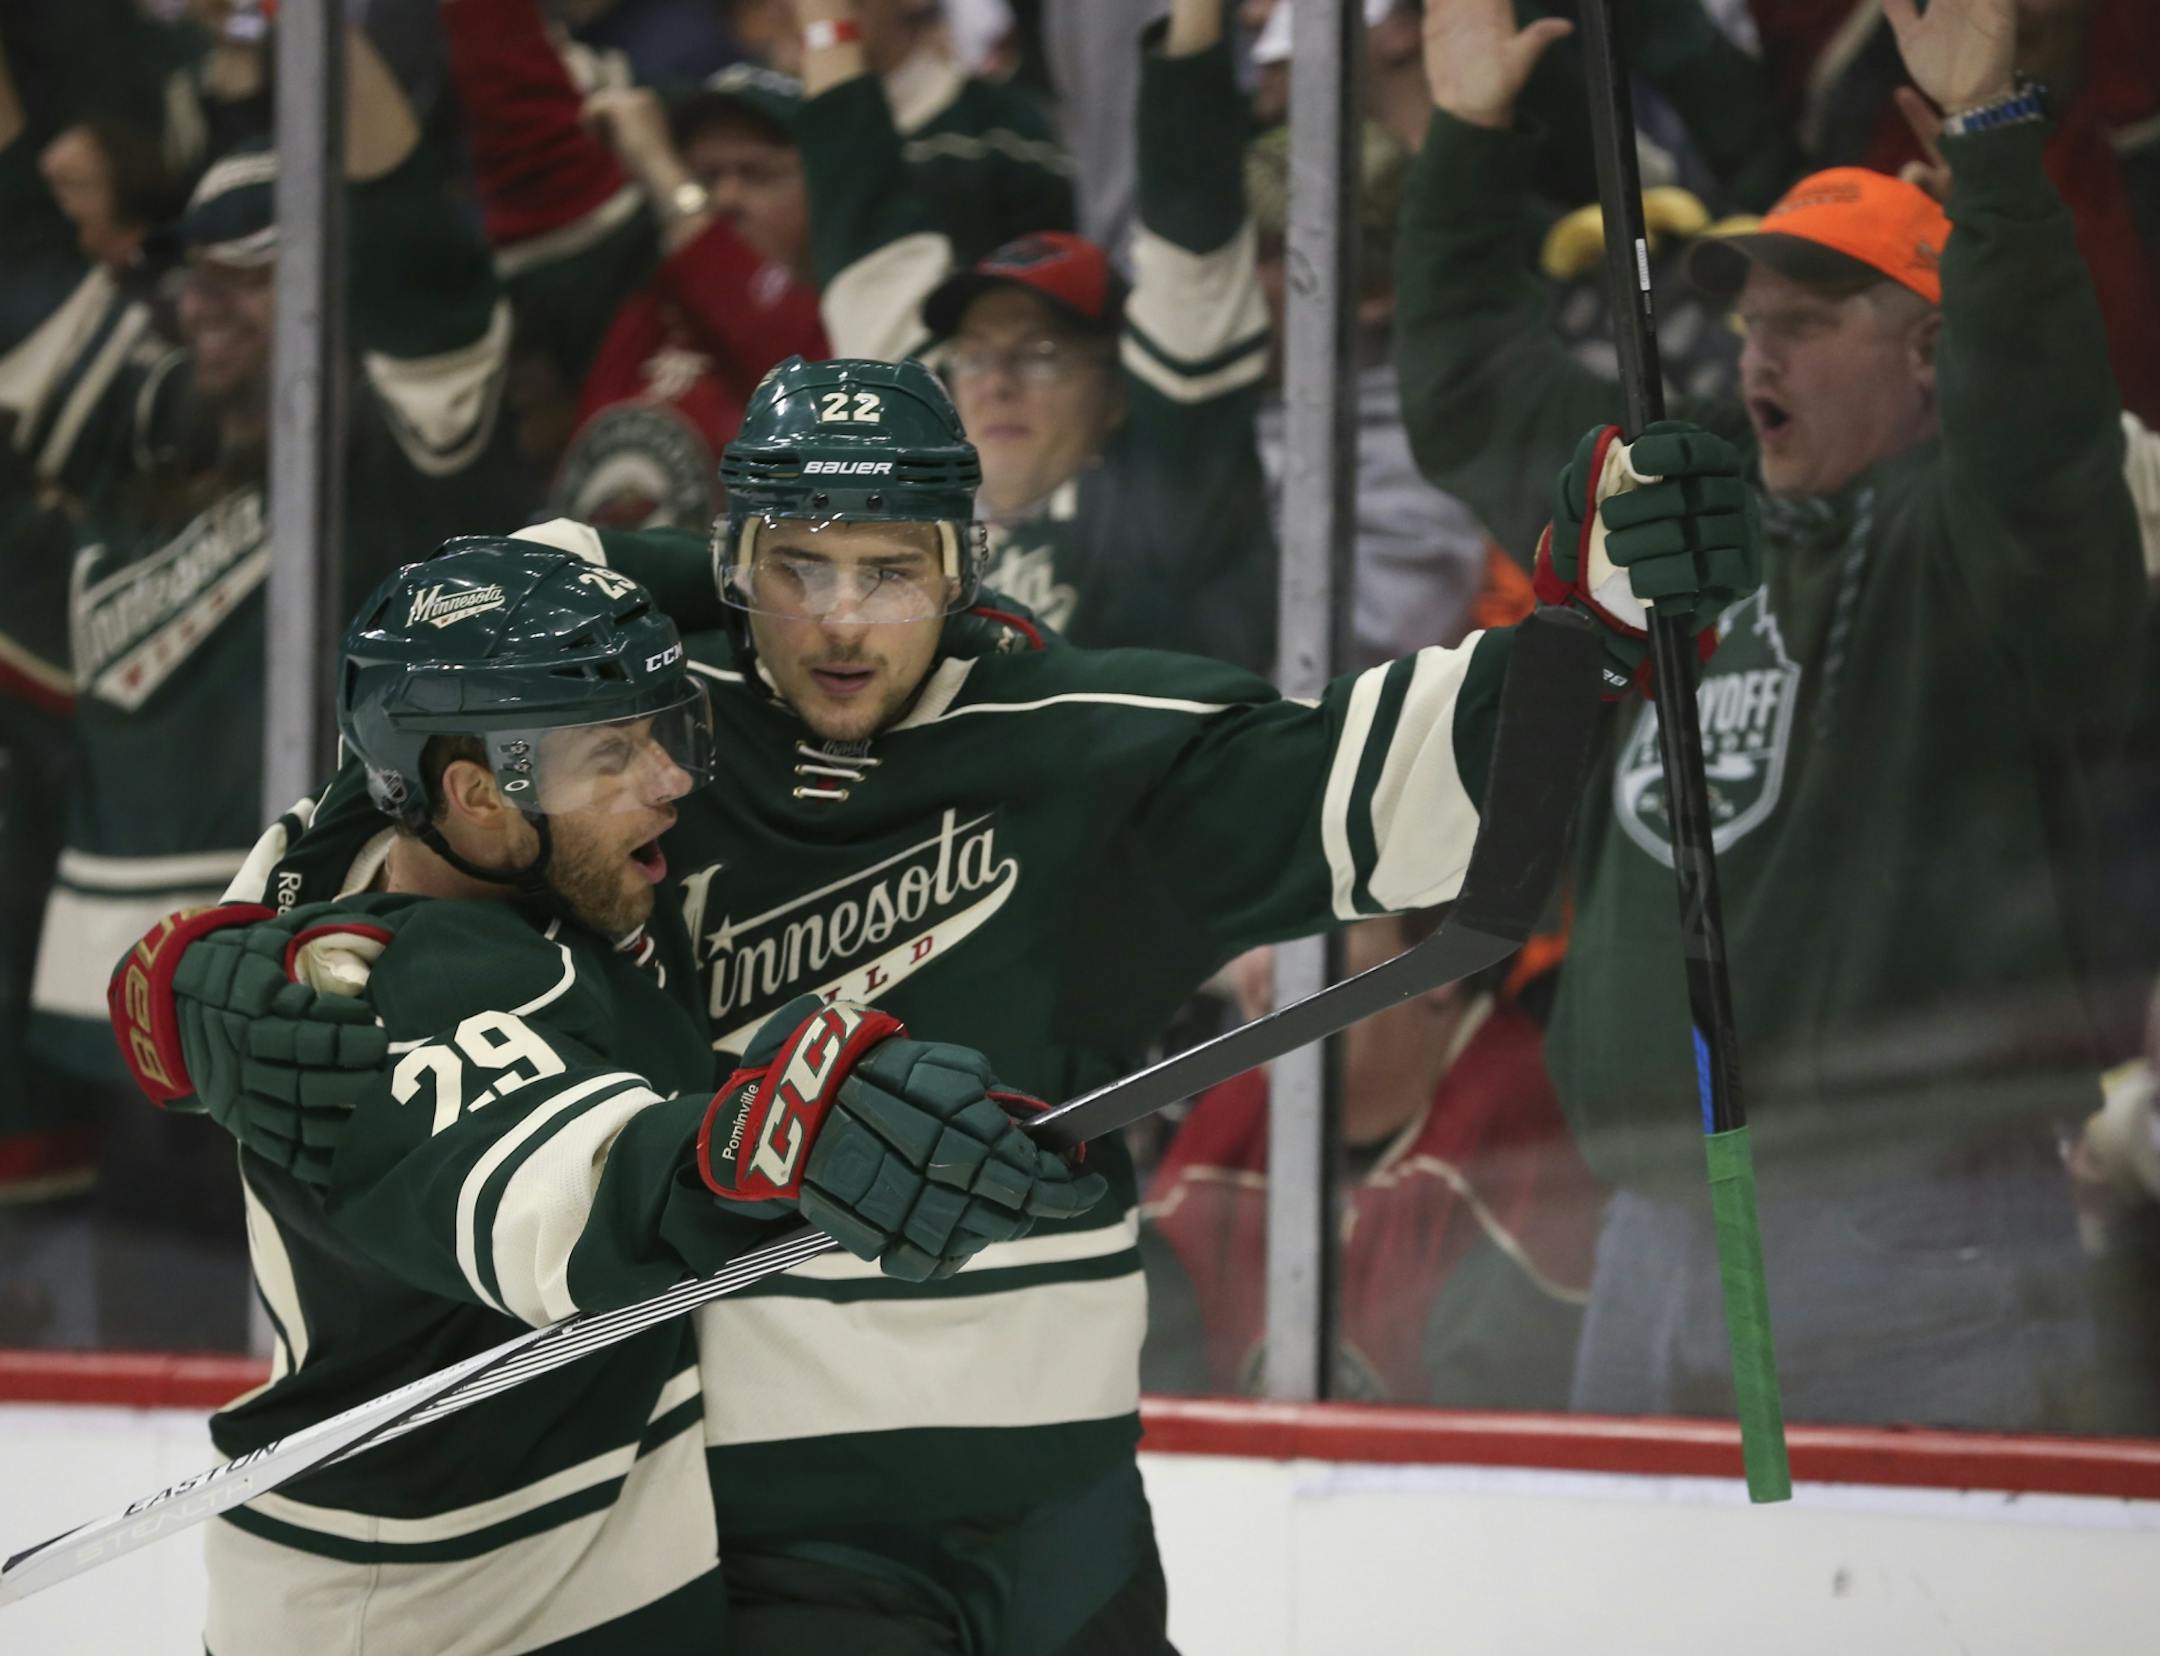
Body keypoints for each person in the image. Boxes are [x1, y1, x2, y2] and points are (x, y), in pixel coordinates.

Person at [148, 352, 1758, 1652]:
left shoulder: (1083, 746)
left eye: (892, 570)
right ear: (730, 563)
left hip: (1062, 1500)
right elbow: (425, 748)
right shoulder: (640, 720)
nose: (843, 622)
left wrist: (1599, 617)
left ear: (966, 561)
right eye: (799, 569)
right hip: (771, 1530)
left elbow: (1391, 774)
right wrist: (236, 944)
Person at [109, 541, 1101, 1653]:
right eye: (613, 753)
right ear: (479, 795)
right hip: (439, 1611)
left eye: (661, 733)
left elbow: (558, 559)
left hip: (622, 1557)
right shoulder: (373, 999)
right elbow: (556, 1197)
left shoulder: (471, 844)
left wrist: (819, 596)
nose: (669, 781)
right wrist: (762, 1141)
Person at [1399, 0, 2146, 1430]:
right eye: (1748, 323)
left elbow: (2041, 429)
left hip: (1915, 1227)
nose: (1755, 358)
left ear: (1933, 354)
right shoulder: (1686, 516)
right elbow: (1472, 388)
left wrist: (1991, 152)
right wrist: (1470, 137)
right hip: (1653, 1227)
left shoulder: (1985, 540)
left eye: (1806, 324)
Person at [8, 24, 527, 1349]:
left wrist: (328, 29)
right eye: (196, 278)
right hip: (128, 993)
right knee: (145, 1376)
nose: (209, 304)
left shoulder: (394, 468)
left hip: (326, 977)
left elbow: (417, 254)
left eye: (256, 275)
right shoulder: (141, 452)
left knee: (314, 1353)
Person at [812, 0, 1278, 672]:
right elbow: (860, 228)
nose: (997, 383)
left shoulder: (1168, 492)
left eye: (1041, 355)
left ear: (1117, 392)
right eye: (973, 357)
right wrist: (824, 24)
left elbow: (1192, 223)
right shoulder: (934, 509)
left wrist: (1196, 20)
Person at [1142, 910, 1604, 1408]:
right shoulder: (1227, 1125)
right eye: (1254, 932)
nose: (1269, 970)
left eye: (1311, 933)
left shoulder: (1525, 1130)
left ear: (1437, 960)